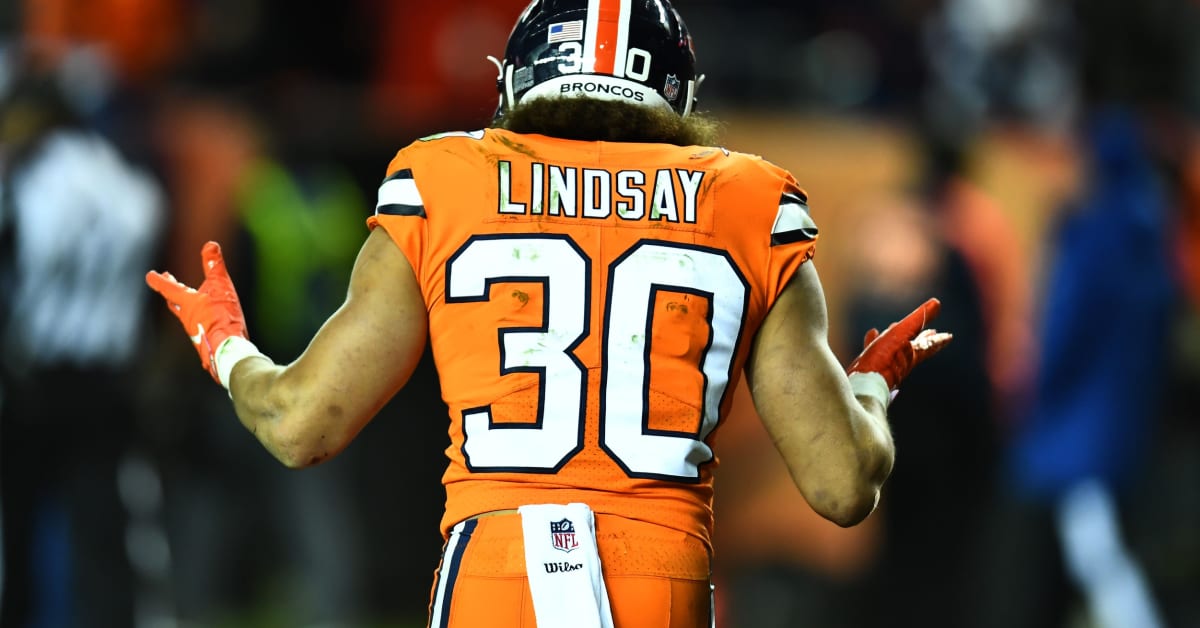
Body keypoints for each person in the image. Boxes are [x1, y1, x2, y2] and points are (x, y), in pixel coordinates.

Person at [145, 1, 951, 626]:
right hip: (659, 575)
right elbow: (843, 486)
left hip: (495, 567)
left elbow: (298, 422)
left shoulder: (444, 179)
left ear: (518, 78)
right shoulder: (748, 202)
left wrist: (225, 346)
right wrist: (871, 389)